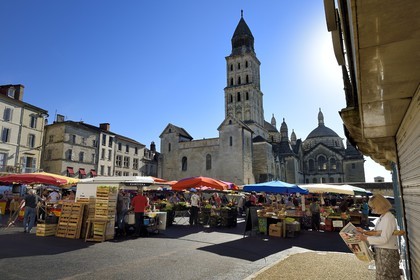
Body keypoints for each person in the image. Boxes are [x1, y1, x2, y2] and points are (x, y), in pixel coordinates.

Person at [356, 194, 400, 280]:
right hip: (383, 252)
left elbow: (384, 239)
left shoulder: (388, 218)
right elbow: (378, 232)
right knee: (385, 276)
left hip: (387, 252)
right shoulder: (383, 216)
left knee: (385, 277)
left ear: (379, 206)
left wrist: (365, 238)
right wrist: (364, 232)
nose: (372, 210)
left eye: (373, 207)